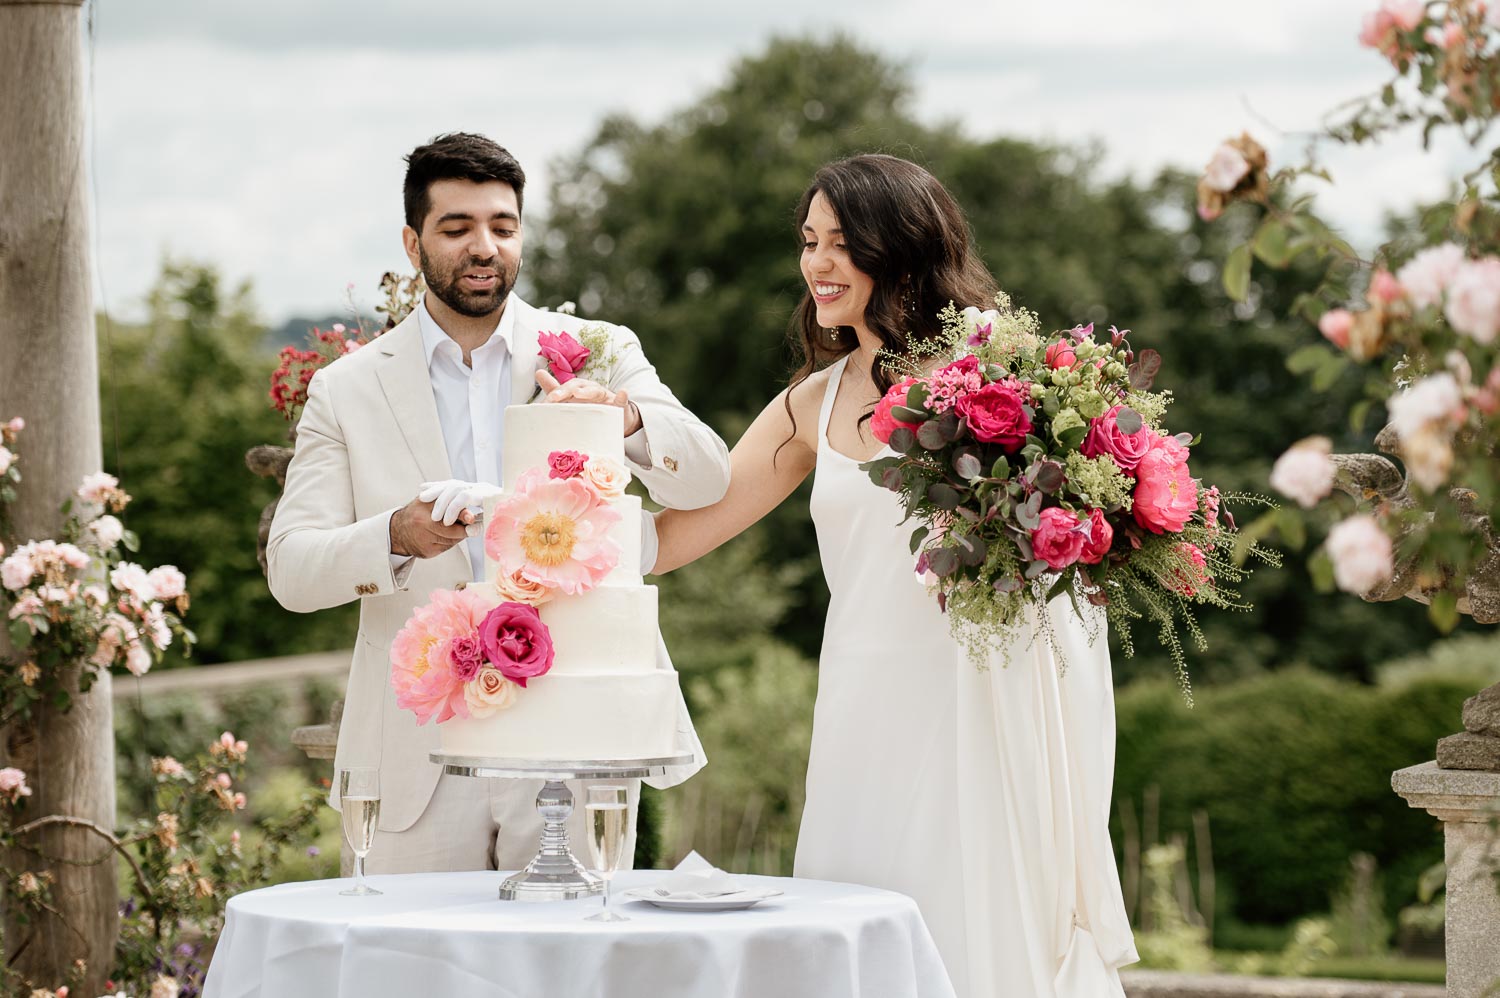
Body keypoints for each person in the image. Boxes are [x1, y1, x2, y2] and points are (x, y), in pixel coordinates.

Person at [648, 154, 1138, 997]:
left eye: (842, 242)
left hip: (980, 701)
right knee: (861, 913)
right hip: (862, 706)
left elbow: (1077, 546)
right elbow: (687, 528)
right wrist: (548, 543)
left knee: (978, 912)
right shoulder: (811, 402)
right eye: (808, 242)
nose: (817, 264)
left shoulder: (1004, 374)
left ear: (901, 245)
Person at [268, 132, 730, 874]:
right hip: (415, 746)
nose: (484, 246)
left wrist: (624, 414)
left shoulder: (595, 347)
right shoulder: (346, 389)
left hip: (574, 729)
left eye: (502, 227)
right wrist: (396, 536)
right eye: (457, 229)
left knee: (572, 974)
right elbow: (291, 569)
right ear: (413, 245)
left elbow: (707, 477)